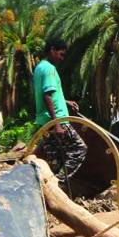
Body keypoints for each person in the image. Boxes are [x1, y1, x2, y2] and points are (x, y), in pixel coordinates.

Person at [33, 38, 86, 182]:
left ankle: (52, 188)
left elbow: (48, 94)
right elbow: (47, 95)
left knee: (56, 159)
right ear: (52, 50)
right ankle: (58, 183)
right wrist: (57, 123)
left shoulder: (40, 67)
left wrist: (65, 102)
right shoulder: (50, 69)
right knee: (79, 149)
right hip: (57, 121)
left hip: (45, 122)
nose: (62, 58)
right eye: (60, 54)